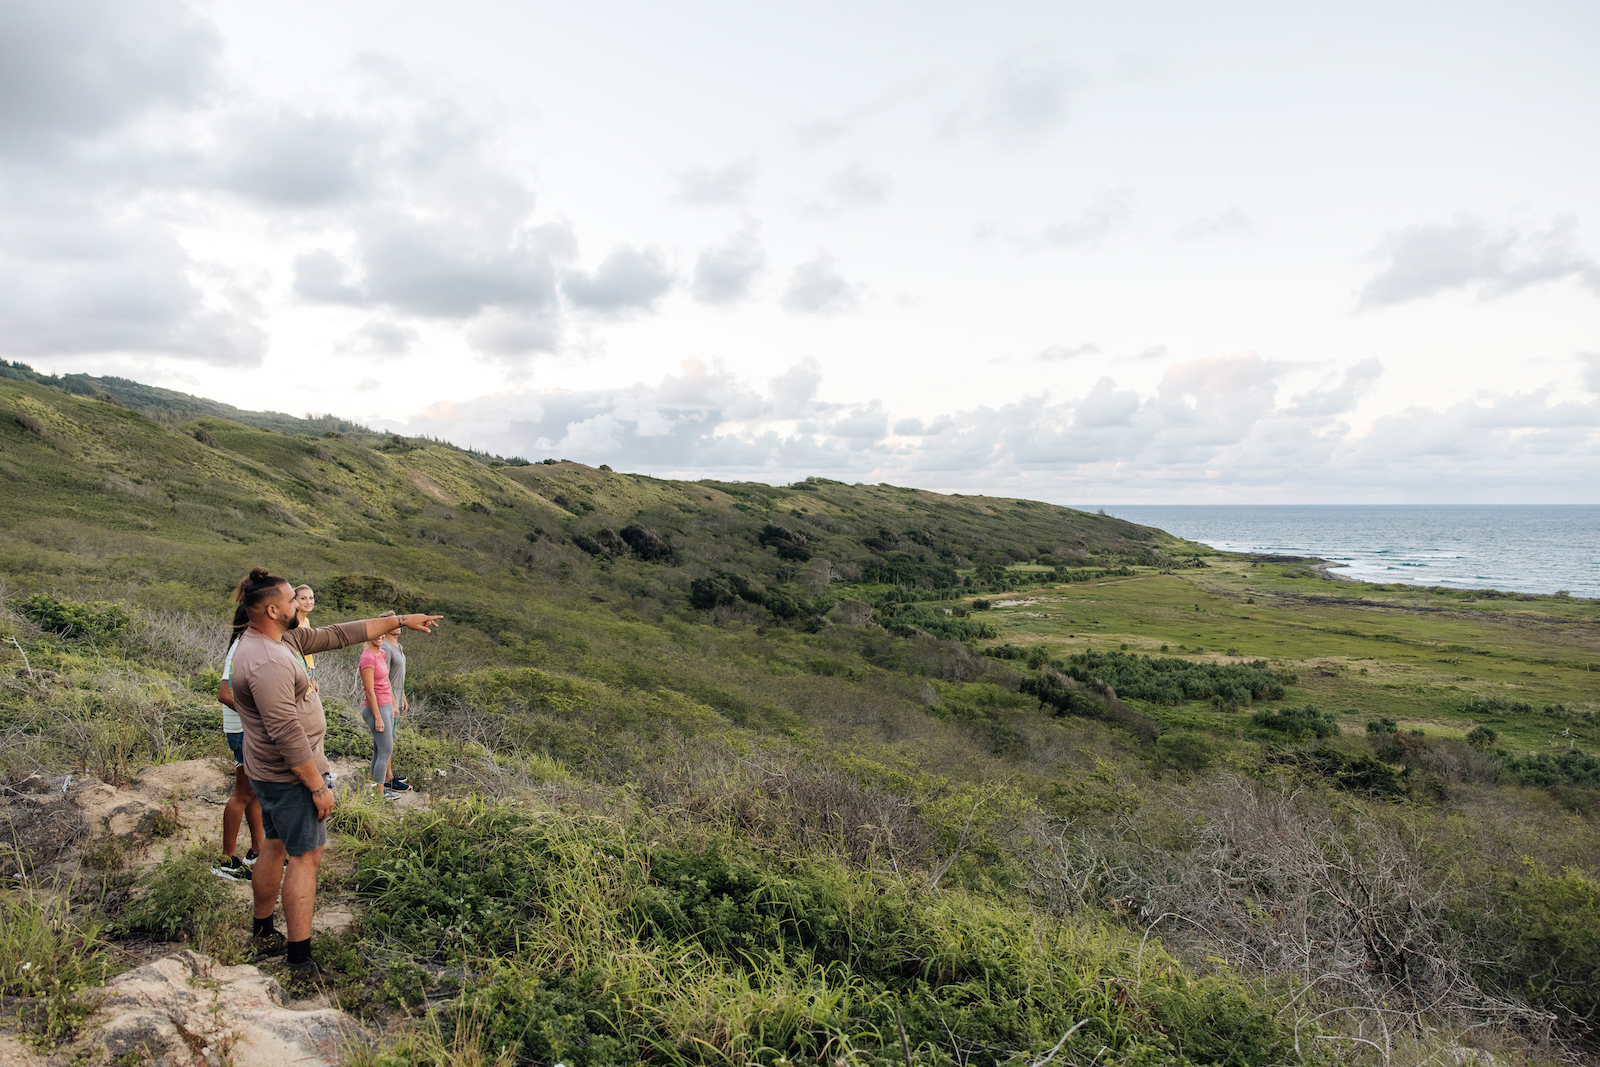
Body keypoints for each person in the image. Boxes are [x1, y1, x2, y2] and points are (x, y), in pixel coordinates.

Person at [227, 567, 442, 978]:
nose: (298, 606)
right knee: (305, 858)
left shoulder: (273, 639)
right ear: (273, 609)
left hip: (266, 772)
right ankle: (300, 961)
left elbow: (340, 634)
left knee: (272, 844)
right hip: (289, 777)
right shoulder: (269, 659)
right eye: (292, 600)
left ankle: (262, 931)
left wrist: (399, 620)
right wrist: (316, 785)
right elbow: (287, 733)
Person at [212, 606, 265, 882]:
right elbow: (224, 693)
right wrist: (255, 715)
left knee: (252, 792)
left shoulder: (242, 644)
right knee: (243, 793)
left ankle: (257, 850)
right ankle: (226, 860)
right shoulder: (242, 646)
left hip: (245, 728)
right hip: (243, 730)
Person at [357, 631, 398, 798]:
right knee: (386, 750)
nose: (380, 637)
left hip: (386, 704)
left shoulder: (381, 653)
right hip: (377, 708)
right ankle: (379, 795)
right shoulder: (367, 657)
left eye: (382, 634)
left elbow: (385, 680)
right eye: (376, 634)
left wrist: (393, 702)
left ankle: (376, 789)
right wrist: (378, 717)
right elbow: (369, 690)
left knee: (379, 749)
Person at [377, 611, 410, 792]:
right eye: (393, 622)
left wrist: (402, 696)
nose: (398, 625)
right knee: (387, 741)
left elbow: (399, 676)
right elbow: (384, 677)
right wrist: (391, 702)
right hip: (388, 700)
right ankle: (386, 778)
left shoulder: (398, 646)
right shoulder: (385, 648)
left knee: (392, 737)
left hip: (397, 697)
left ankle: (388, 774)